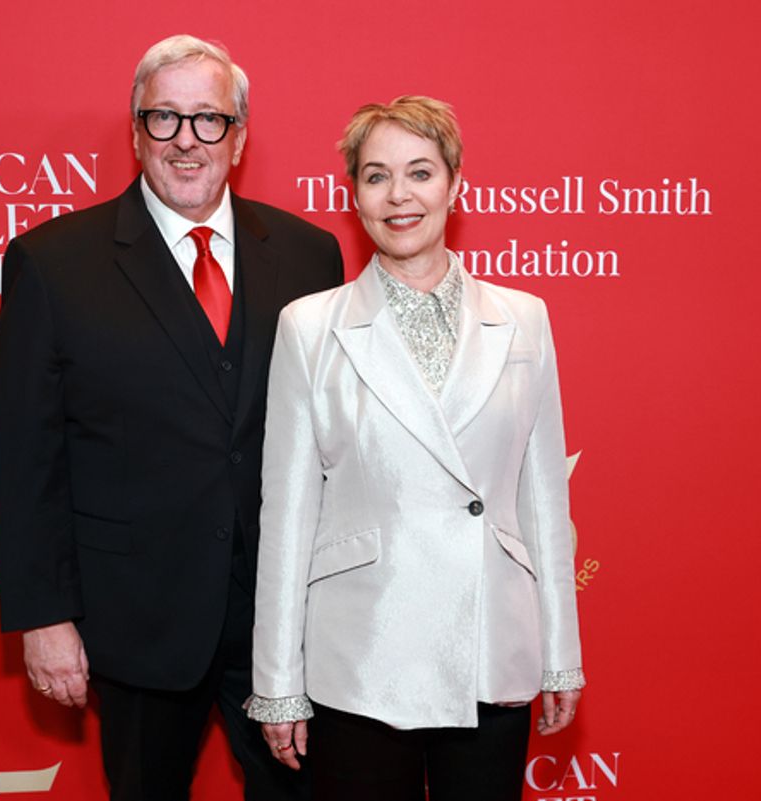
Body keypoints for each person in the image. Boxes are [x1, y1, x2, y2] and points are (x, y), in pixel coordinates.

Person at [0, 34, 343, 801]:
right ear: (134, 131)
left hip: (284, 620)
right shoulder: (53, 263)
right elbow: (24, 457)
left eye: (209, 119)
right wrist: (45, 617)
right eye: (164, 118)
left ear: (240, 136)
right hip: (138, 619)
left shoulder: (311, 258)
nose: (187, 141)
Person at [247, 96, 585, 801]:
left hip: (489, 645)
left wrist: (561, 656)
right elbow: (286, 516)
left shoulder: (524, 318)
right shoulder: (310, 327)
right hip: (364, 652)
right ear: (355, 196)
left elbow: (544, 499)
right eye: (376, 176)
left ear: (455, 185)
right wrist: (277, 682)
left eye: (420, 172)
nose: (399, 195)